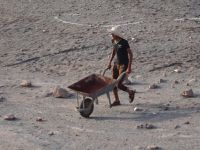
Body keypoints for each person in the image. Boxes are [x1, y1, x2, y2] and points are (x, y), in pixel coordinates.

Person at [107, 26, 135, 106]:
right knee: (113, 83)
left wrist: (129, 67)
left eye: (112, 33)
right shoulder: (113, 41)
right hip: (116, 64)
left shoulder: (124, 42)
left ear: (116, 34)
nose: (111, 34)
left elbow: (130, 54)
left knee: (118, 84)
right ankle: (117, 100)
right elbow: (114, 51)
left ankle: (130, 92)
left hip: (123, 65)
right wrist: (110, 62)